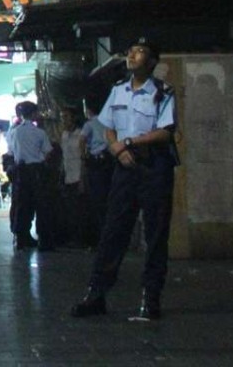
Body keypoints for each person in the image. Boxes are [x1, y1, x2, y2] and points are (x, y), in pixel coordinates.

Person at [71, 37, 177, 321]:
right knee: (113, 230)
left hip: (154, 167)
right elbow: (107, 127)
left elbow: (166, 131)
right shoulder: (118, 91)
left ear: (152, 61)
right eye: (131, 51)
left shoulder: (163, 92)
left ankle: (150, 298)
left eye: (140, 51)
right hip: (124, 167)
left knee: (155, 234)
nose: (132, 55)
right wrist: (117, 148)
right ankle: (96, 294)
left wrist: (129, 142)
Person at [7, 101, 53, 251]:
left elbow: (11, 152)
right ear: (33, 114)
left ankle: (21, 238)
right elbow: (48, 152)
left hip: (20, 170)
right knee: (41, 205)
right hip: (37, 170)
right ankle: (44, 240)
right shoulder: (39, 132)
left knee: (22, 205)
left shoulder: (14, 132)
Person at [80, 102, 112, 247]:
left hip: (96, 162)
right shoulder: (109, 121)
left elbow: (81, 141)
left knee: (96, 199)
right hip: (109, 161)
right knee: (108, 198)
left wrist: (83, 156)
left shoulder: (89, 124)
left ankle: (100, 236)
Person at [59, 106, 88, 247]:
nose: (63, 120)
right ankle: (73, 238)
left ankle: (81, 239)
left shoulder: (80, 134)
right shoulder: (64, 135)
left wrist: (82, 178)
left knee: (80, 210)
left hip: (78, 175)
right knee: (70, 210)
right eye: (62, 117)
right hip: (68, 176)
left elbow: (83, 157)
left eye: (66, 117)